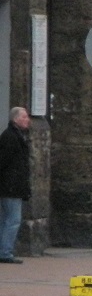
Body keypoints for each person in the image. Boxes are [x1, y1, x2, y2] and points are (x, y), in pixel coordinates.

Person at [0, 107, 31, 264]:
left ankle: (4, 250)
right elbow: (4, 162)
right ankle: (5, 252)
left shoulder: (15, 135)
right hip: (11, 186)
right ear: (16, 119)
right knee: (12, 220)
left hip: (11, 185)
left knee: (7, 219)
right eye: (24, 117)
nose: (28, 120)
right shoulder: (11, 137)